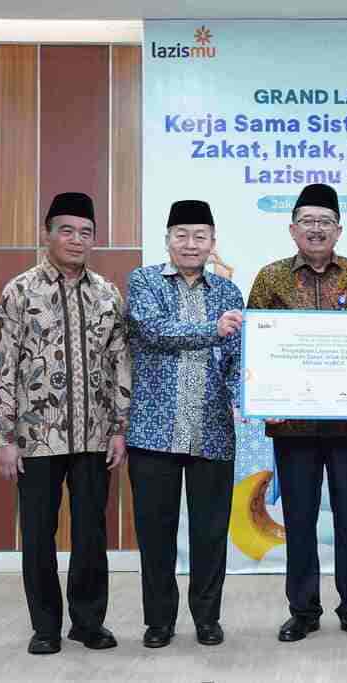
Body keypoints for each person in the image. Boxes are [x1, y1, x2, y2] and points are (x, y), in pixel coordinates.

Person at [0, 192, 130, 655]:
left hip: (94, 436)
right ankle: (46, 627)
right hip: (35, 438)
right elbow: (2, 365)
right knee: (37, 534)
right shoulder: (19, 291)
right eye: (66, 230)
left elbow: (120, 363)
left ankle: (88, 623)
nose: (76, 239)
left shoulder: (107, 293)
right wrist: (3, 435)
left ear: (94, 238)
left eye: (85, 232)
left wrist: (119, 428)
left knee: (91, 533)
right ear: (46, 234)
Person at [247, 183, 347, 642]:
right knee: (300, 521)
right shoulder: (270, 278)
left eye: (324, 221)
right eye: (307, 221)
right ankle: (303, 610)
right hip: (294, 427)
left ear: (338, 230)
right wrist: (262, 399)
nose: (316, 229)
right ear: (292, 229)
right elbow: (255, 345)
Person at [125, 200, 244, 648]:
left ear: (213, 242)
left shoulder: (228, 292)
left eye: (200, 236)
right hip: (153, 432)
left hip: (212, 431)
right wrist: (214, 330)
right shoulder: (144, 281)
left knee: (210, 534)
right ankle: (159, 621)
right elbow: (153, 330)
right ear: (168, 240)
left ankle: (207, 619)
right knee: (156, 534)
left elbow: (237, 360)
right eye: (181, 235)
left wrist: (250, 398)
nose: (190, 244)